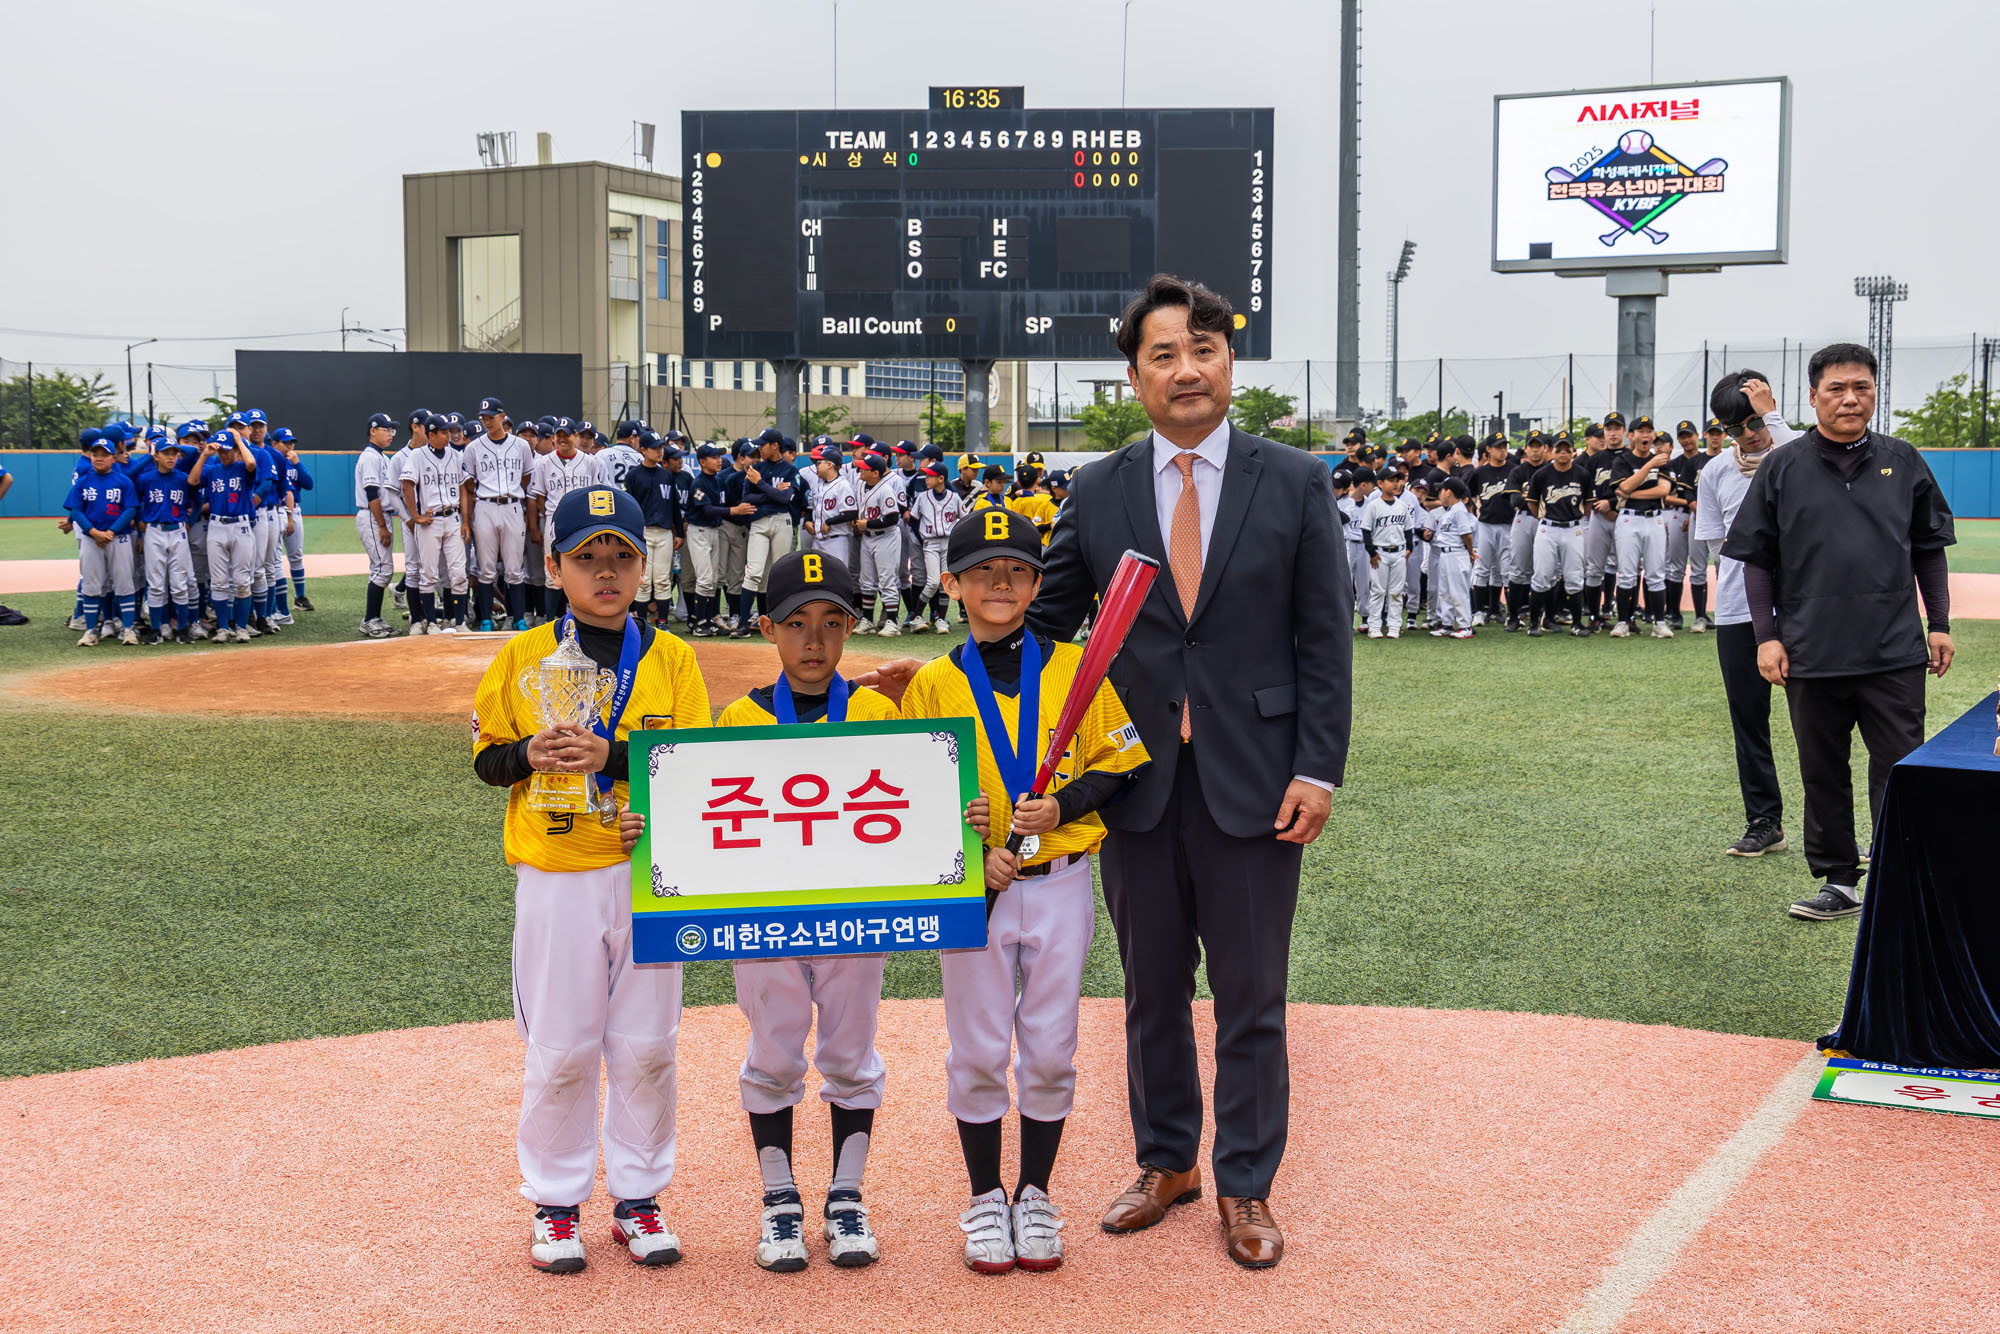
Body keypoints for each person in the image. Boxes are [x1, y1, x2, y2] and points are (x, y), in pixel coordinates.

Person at [1022, 274, 1349, 1268]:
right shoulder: (1099, 485)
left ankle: (1245, 1181)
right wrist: (948, 672)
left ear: (1227, 363)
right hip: (1135, 783)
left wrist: (1317, 769)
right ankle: (1167, 1160)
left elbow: (1322, 639)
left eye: (1200, 349)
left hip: (1255, 781)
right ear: (1134, 377)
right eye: (1163, 354)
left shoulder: (1291, 480)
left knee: (1252, 995)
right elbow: (1044, 624)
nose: (1185, 369)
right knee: (1150, 990)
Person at [899, 508, 1150, 1274]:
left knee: (1049, 1046)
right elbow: (909, 799)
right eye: (982, 571)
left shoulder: (1076, 666)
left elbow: (1121, 762)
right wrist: (972, 852)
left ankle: (1034, 1191)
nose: (999, 584)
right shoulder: (935, 683)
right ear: (953, 585)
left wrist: (1064, 804)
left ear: (1038, 583)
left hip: (1059, 883)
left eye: (1015, 571)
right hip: (977, 888)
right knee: (977, 1047)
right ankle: (984, 1196)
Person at [471, 483, 710, 1274]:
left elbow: (696, 771)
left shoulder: (672, 658)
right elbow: (487, 760)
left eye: (621, 558)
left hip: (648, 874)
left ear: (647, 566)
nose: (605, 573)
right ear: (555, 567)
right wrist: (528, 755)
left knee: (648, 1045)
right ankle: (556, 1203)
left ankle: (639, 1199)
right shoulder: (524, 657)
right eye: (587, 559)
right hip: (560, 872)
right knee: (565, 1047)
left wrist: (613, 760)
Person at [684, 552, 911, 1271]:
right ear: (766, 629)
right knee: (774, 1050)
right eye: (796, 624)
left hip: (854, 916)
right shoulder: (740, 716)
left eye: (832, 623)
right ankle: (779, 1201)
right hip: (767, 918)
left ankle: (847, 1198)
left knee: (850, 1050)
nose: (814, 642)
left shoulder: (877, 711)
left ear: (851, 628)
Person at [1721, 343, 1955, 922]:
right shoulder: (1783, 465)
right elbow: (1758, 558)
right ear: (1813, 396)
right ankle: (1838, 880)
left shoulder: (1903, 460)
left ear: (1874, 392)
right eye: (1837, 388)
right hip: (1811, 650)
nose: (1851, 398)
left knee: (1900, 766)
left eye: (1862, 388)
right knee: (1822, 769)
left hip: (1894, 649)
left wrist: (1941, 623)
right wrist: (1766, 636)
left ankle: (1897, 869)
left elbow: (1928, 548)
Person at [1697, 372, 1801, 859]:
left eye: (1756, 420)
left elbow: (1808, 467)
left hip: (1806, 607)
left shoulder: (1801, 450)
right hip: (1739, 609)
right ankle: (1764, 821)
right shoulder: (1715, 471)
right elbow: (1719, 545)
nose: (1750, 433)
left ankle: (1836, 824)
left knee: (1825, 718)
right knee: (1749, 719)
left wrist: (1774, 413)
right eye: (1737, 428)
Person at [64, 432, 142, 646]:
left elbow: (130, 510)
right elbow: (76, 511)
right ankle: (90, 630)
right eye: (95, 454)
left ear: (113, 457)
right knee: (91, 584)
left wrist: (111, 532)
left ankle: (128, 629)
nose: (99, 458)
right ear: (90, 456)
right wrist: (94, 532)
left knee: (124, 584)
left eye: (104, 454)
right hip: (92, 539)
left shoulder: (123, 481)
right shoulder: (83, 482)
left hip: (119, 538)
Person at [467, 396, 534, 632]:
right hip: (485, 505)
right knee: (486, 567)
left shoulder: (521, 446)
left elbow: (526, 478)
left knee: (514, 568)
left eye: (491, 416)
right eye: (483, 417)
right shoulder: (473, 447)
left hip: (513, 505)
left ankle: (518, 619)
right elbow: (468, 483)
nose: (487, 421)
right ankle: (486, 619)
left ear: (502, 417)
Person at [401, 417, 473, 635]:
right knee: (429, 574)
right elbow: (406, 485)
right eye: (443, 432)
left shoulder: (456, 455)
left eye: (449, 431)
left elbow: (463, 488)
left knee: (458, 573)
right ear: (431, 434)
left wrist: (466, 521)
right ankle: (431, 623)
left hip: (453, 518)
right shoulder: (417, 456)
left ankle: (458, 622)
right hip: (430, 522)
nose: (448, 435)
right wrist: (415, 516)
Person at [1606, 416, 1674, 639]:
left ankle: (1660, 623)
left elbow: (1663, 490)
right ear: (1631, 435)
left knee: (1656, 573)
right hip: (1628, 518)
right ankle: (1623, 622)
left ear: (1653, 435)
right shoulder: (1623, 461)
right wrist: (1648, 467)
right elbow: (1622, 486)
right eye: (1640, 431)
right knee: (1626, 574)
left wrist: (1631, 491)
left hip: (1654, 517)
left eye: (1648, 431)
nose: (1645, 435)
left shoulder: (1661, 460)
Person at [1525, 433, 1591, 638]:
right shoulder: (1542, 475)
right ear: (1551, 451)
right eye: (1559, 449)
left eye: (1566, 449)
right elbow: (1532, 502)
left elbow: (1588, 502)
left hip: (1573, 528)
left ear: (1573, 451)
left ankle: (1577, 624)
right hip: (1548, 528)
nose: (1563, 453)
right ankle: (1534, 623)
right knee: (1542, 575)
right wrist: (1543, 517)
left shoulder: (1582, 474)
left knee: (1574, 577)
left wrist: (1579, 515)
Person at [136, 435, 201, 643]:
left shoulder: (183, 478)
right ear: (156, 456)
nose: (172, 457)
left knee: (179, 584)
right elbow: (135, 502)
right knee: (155, 584)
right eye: (166, 453)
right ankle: (156, 630)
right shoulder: (146, 479)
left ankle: (182, 629)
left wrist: (190, 519)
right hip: (154, 531)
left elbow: (198, 501)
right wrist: (139, 523)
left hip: (178, 531)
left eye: (174, 453)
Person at [200, 428, 261, 643]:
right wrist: (205, 454)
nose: (225, 454)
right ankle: (223, 628)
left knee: (243, 581)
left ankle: (242, 627)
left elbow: (252, 464)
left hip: (241, 525)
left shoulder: (242, 468)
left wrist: (238, 440)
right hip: (217, 525)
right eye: (222, 451)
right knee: (219, 582)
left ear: (236, 450)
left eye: (229, 450)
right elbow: (192, 481)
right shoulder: (212, 470)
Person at [625, 432, 686, 630]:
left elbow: (675, 506)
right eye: (655, 448)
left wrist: (679, 533)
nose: (660, 451)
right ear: (643, 450)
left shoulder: (667, 475)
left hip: (664, 532)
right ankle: (642, 623)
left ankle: (662, 622)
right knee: (643, 580)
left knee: (662, 579)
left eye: (661, 448)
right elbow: (629, 507)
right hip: (642, 532)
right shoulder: (634, 475)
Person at [352, 412, 399, 638]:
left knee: (382, 569)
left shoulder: (381, 456)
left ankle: (375, 618)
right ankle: (370, 620)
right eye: (386, 429)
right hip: (372, 516)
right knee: (382, 569)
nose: (390, 433)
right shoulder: (370, 457)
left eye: (392, 429)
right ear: (373, 430)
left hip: (378, 516)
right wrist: (381, 525)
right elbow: (372, 494)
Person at [908, 462, 965, 632]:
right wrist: (922, 539)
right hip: (930, 543)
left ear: (941, 479)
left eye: (930, 476)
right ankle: (916, 616)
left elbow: (964, 519)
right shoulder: (923, 497)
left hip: (948, 542)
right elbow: (913, 521)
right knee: (933, 581)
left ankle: (942, 618)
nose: (926, 479)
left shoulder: (954, 498)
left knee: (944, 582)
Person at [852, 452, 905, 636]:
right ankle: (867, 620)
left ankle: (892, 621)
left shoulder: (885, 489)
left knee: (887, 579)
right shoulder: (861, 485)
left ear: (875, 473)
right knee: (866, 581)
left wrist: (868, 524)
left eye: (864, 468)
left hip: (886, 537)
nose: (860, 469)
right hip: (868, 537)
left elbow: (893, 517)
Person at [1360, 465, 1414, 639]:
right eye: (1391, 480)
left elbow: (1408, 529)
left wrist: (1409, 549)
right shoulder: (1374, 506)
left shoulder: (1402, 505)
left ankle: (1394, 625)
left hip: (1399, 552)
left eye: (1398, 480)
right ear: (1380, 483)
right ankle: (1374, 626)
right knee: (1378, 591)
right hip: (1380, 553)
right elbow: (1366, 530)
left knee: (1396, 592)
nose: (1396, 484)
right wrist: (1372, 552)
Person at [683, 443, 731, 637]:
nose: (719, 460)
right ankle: (700, 623)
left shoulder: (719, 481)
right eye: (714, 457)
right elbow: (707, 509)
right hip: (699, 531)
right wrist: (733, 511)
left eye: (719, 456)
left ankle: (709, 620)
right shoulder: (698, 482)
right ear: (702, 461)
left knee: (713, 579)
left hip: (714, 531)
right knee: (704, 578)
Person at [1662, 421, 1706, 632]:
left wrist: (1694, 510)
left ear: (1697, 436)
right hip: (1679, 515)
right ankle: (1674, 613)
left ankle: (1701, 614)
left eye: (1690, 435)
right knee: (1676, 566)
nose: (1687, 440)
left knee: (1699, 567)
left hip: (1701, 515)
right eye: (1683, 436)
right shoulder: (1674, 464)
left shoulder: (1707, 461)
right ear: (1678, 440)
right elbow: (1667, 496)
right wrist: (1689, 507)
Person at [1466, 433, 1514, 626]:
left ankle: (1510, 613)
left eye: (1504, 446)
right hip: (1485, 524)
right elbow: (1468, 494)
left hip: (1509, 525)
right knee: (1482, 567)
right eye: (1498, 447)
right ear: (1489, 450)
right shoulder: (1480, 473)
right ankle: (1478, 611)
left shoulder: (1514, 470)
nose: (1502, 450)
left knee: (1507, 570)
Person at [1504, 432, 1549, 630]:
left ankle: (1545, 618)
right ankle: (1513, 617)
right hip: (1523, 520)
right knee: (1518, 569)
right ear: (1526, 449)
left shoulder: (1552, 470)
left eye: (1538, 445)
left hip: (1547, 521)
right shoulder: (1518, 471)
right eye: (1532, 445)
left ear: (1545, 448)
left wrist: (1527, 497)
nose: (1535, 449)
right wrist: (1538, 501)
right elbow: (1514, 500)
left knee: (1546, 570)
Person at [1425, 477, 1476, 638]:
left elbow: (1466, 534)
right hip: (1445, 554)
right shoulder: (1452, 510)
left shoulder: (1460, 509)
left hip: (1457, 553)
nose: (1439, 493)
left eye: (1441, 490)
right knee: (1445, 592)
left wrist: (1470, 552)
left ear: (1449, 492)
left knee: (1458, 591)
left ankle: (1465, 625)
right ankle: (1447, 624)